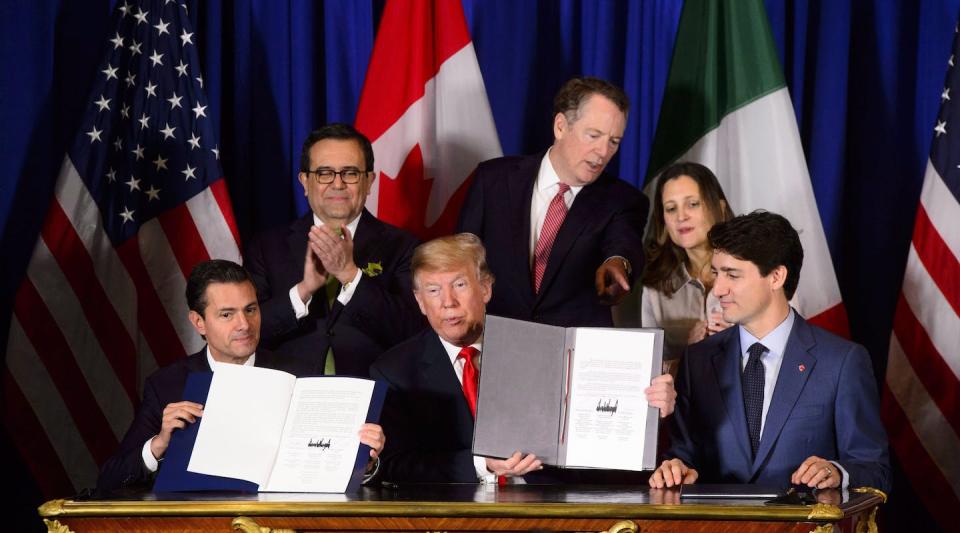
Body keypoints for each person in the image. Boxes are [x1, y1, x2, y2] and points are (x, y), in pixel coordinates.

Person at [370, 233, 675, 484]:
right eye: (433, 290)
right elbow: (395, 466)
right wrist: (482, 465)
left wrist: (649, 412)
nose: (448, 302)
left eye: (460, 285)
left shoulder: (547, 347)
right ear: (420, 302)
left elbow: (598, 440)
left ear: (486, 288)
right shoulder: (394, 371)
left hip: (554, 513)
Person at [649, 211, 891, 493]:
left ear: (776, 276)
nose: (718, 289)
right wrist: (675, 467)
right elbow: (683, 454)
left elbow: (875, 469)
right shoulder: (698, 359)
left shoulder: (842, 362)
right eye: (717, 273)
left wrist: (837, 472)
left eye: (732, 275)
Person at [96, 260, 385, 492]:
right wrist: (158, 444)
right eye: (226, 314)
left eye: (251, 309)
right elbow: (109, 480)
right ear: (199, 322)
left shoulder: (300, 374)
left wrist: (365, 463)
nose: (244, 324)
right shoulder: (167, 385)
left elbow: (325, 464)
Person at [457, 77, 648, 328]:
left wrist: (618, 264)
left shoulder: (623, 200)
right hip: (496, 339)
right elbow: (461, 258)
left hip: (572, 351)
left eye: (614, 141)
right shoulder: (493, 180)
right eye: (594, 135)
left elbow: (623, 245)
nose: (603, 152)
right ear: (560, 126)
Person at [245, 123, 424, 377]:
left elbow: (414, 332)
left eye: (350, 173)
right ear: (305, 181)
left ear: (369, 181)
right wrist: (303, 291)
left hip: (374, 397)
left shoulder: (405, 247)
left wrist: (351, 276)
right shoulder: (266, 247)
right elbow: (246, 331)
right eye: (324, 173)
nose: (337, 184)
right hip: (289, 394)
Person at [640, 162, 735, 372]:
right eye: (671, 208)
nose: (681, 217)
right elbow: (648, 372)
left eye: (692, 204)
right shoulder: (655, 288)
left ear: (719, 207)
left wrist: (744, 339)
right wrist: (689, 354)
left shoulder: (757, 269)